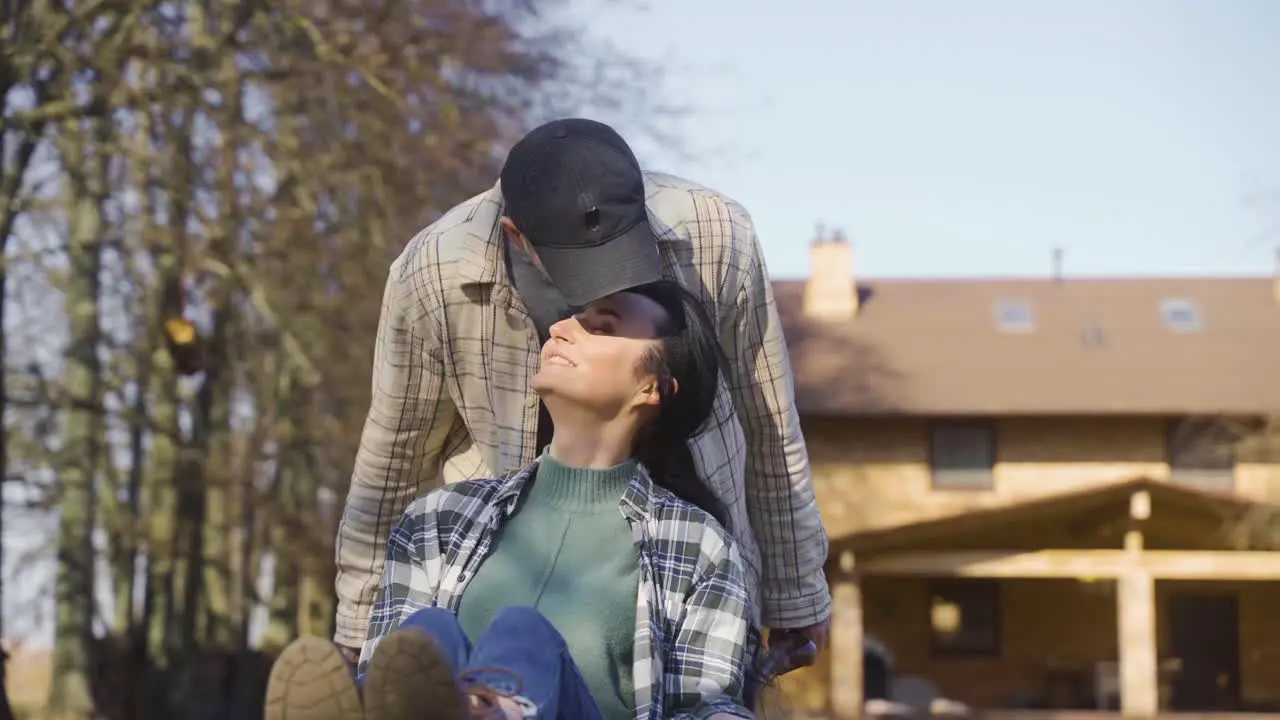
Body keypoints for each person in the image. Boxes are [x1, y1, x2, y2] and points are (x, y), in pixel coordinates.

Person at [333, 118, 831, 666]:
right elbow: (394, 454)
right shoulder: (433, 274)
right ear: (516, 236)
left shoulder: (716, 235)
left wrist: (795, 588)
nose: (596, 296)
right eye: (581, 280)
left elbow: (769, 419)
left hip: (676, 540)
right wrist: (360, 626)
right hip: (502, 554)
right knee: (491, 648)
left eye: (610, 317)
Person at [267, 282, 759, 720]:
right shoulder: (435, 522)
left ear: (652, 387)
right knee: (426, 632)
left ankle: (494, 710)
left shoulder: (700, 547)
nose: (563, 328)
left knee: (524, 633)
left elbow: (707, 704)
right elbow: (394, 678)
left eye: (602, 327)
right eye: (571, 316)